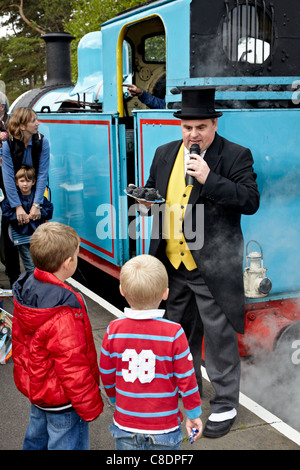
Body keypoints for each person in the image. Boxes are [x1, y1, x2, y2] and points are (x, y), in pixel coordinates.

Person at [137, 87, 260, 438]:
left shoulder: (236, 155)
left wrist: (210, 178)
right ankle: (185, 394)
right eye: (188, 127)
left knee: (219, 337)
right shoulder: (163, 154)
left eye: (201, 127)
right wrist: (146, 203)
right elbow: (154, 192)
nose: (193, 134)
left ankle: (225, 403)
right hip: (172, 265)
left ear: (214, 124)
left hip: (213, 267)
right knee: (175, 333)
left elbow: (250, 200)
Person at [12, 222, 104, 450]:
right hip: (63, 401)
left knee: (36, 439)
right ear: (67, 263)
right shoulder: (65, 307)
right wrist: (89, 405)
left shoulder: (25, 288)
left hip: (38, 391)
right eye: (76, 255)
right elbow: (73, 364)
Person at [99, 254, 202, 451]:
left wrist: (114, 398)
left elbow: (106, 373)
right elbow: (187, 380)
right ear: (166, 293)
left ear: (122, 291)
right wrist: (193, 413)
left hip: (125, 425)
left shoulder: (114, 329)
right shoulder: (174, 333)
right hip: (165, 427)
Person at [1, 107, 50, 286]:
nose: (37, 123)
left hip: (34, 189)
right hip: (13, 191)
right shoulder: (8, 144)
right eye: (33, 121)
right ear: (22, 126)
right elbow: (7, 176)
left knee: (37, 235)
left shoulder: (42, 142)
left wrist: (36, 204)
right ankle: (15, 280)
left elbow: (43, 174)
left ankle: (39, 279)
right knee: (11, 237)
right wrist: (17, 206)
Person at [1, 165, 53, 272]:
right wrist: (18, 217)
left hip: (38, 237)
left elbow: (49, 211)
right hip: (21, 236)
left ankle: (37, 283)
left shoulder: (38, 198)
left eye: (28, 181)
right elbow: (5, 214)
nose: (25, 184)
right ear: (16, 182)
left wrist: (38, 214)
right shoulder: (11, 199)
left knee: (40, 262)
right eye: (22, 181)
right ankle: (34, 285)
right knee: (29, 265)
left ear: (33, 182)